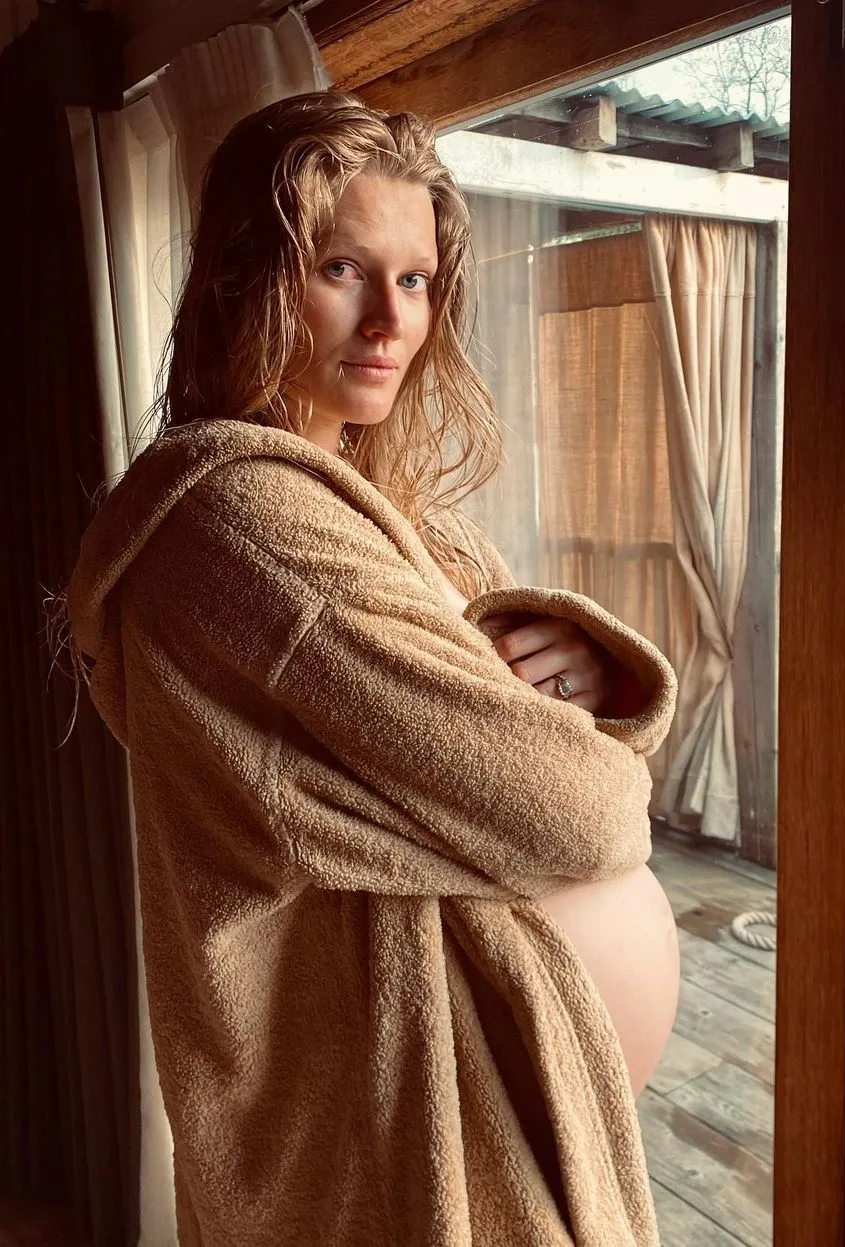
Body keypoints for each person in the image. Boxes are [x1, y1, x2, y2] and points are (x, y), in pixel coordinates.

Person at [64, 91, 680, 1246]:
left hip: (480, 1094)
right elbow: (584, 811)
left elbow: (486, 741)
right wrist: (574, 743)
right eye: (343, 268)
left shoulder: (375, 507)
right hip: (398, 1127)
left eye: (418, 279)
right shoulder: (246, 517)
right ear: (250, 277)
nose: (392, 320)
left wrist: (589, 679)